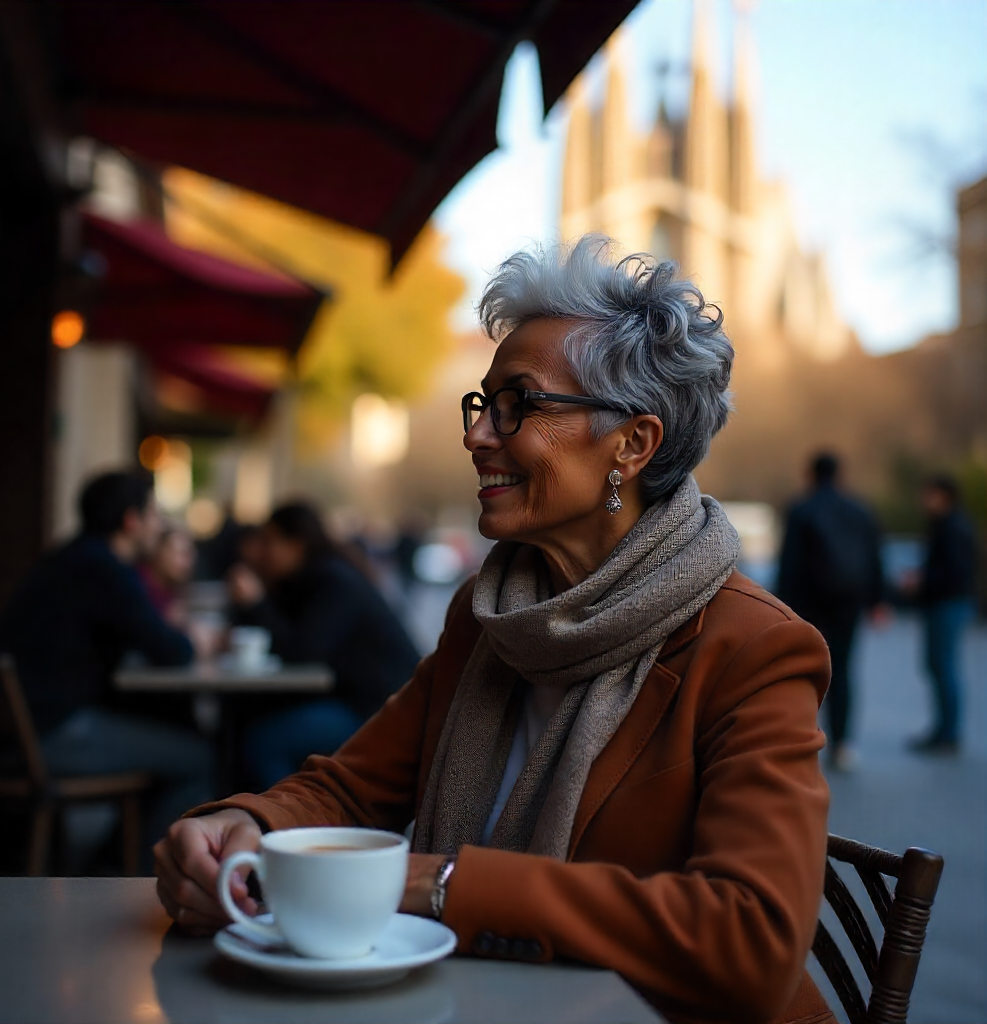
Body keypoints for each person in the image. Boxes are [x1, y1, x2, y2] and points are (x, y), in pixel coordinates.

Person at [155, 239, 835, 1024]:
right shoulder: (488, 615)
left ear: (631, 444)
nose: (477, 435)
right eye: (482, 403)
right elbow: (352, 787)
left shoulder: (753, 648)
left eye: (518, 404)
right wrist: (245, 826)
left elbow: (753, 940)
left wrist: (442, 886)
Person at [0, 470, 215, 862]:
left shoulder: (67, 557)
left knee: (171, 731)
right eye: (154, 514)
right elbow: (170, 651)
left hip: (10, 730)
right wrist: (196, 640)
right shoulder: (106, 569)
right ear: (131, 520)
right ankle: (139, 872)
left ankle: (112, 858)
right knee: (199, 757)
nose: (159, 526)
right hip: (50, 733)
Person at [226, 503, 421, 789]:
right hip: (357, 700)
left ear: (296, 545)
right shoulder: (305, 580)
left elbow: (302, 652)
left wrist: (256, 603)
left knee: (264, 742)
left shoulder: (334, 581)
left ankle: (282, 815)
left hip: (379, 710)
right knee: (249, 719)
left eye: (269, 542)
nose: (263, 552)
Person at [777, 452, 884, 772]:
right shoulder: (860, 510)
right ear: (839, 474)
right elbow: (874, 556)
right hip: (849, 601)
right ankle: (842, 745)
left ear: (811, 474)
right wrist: (878, 600)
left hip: (810, 602)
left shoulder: (801, 509)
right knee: (844, 669)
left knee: (806, 669)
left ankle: (802, 740)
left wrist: (781, 606)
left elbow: (790, 562)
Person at [908, 474, 978, 753]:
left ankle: (948, 733)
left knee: (944, 666)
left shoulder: (954, 527)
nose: (924, 500)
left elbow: (956, 572)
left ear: (944, 496)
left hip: (949, 603)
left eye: (929, 494)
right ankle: (944, 730)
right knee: (938, 665)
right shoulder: (945, 525)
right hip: (944, 603)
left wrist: (923, 581)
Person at [138, 523, 196, 621]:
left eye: (189, 555)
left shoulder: (172, 588)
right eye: (180, 553)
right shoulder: (139, 584)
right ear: (160, 551)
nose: (186, 562)